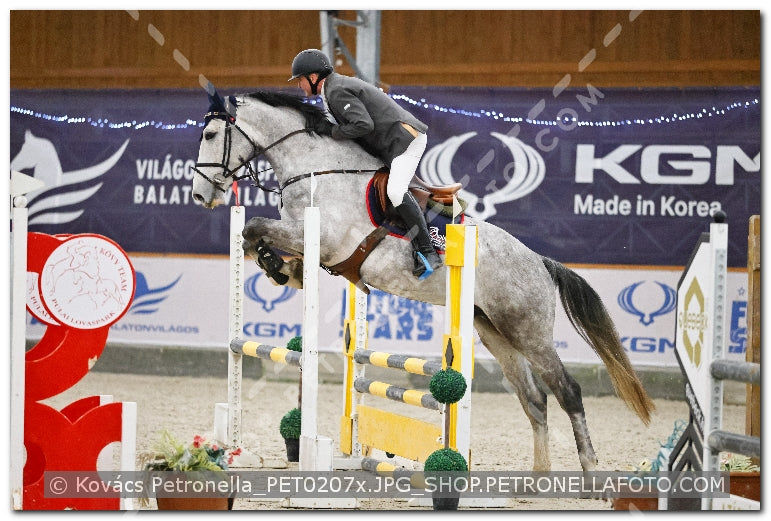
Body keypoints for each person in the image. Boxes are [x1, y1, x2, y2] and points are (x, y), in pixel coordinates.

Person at [289, 48, 443, 281]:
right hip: (392, 143)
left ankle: (428, 252)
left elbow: (363, 125)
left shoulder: (337, 90)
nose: (299, 85)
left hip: (405, 141)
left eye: (300, 80)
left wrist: (331, 131)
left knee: (395, 190)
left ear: (313, 77)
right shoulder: (332, 90)